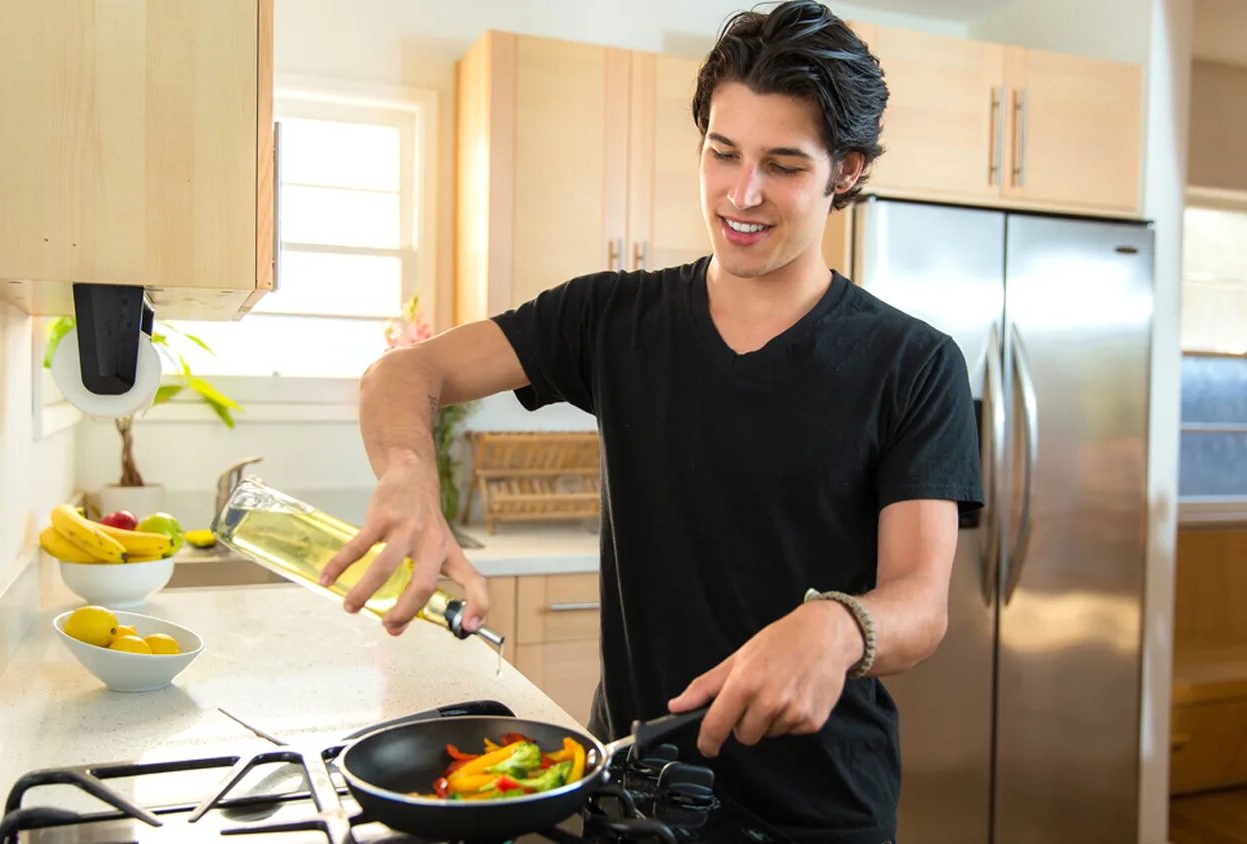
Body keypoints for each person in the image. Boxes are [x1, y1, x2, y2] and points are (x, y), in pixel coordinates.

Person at [321, 2, 983, 840]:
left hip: (821, 813)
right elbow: (404, 372)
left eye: (782, 165)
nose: (741, 194)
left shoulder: (913, 363)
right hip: (634, 797)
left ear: (844, 171)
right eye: (722, 152)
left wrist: (841, 623)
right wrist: (408, 474)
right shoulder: (612, 319)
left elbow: (920, 606)